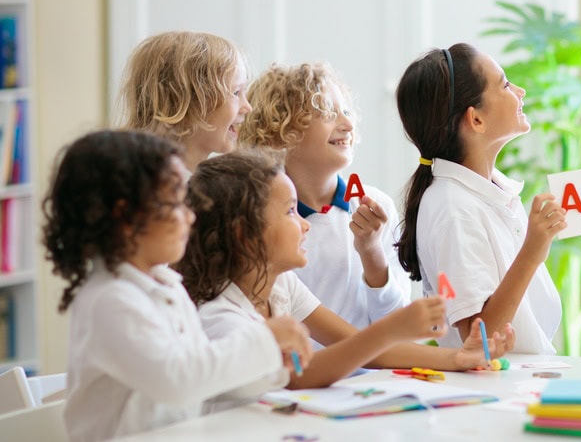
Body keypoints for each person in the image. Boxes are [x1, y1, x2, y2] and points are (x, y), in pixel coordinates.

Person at [41, 130, 312, 442]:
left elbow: (204, 379)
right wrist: (264, 339)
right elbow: (177, 380)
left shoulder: (168, 288)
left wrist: (269, 369)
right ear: (126, 217)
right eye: (175, 204)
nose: (189, 217)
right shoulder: (109, 300)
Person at [176, 149, 515, 397]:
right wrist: (391, 329)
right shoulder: (220, 316)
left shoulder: (281, 286)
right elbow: (298, 376)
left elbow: (359, 346)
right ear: (243, 234)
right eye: (290, 211)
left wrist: (457, 358)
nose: (304, 225)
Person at [395, 43, 567, 354]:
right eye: (504, 84)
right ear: (476, 120)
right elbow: (480, 340)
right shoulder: (452, 207)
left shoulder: (486, 194)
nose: (521, 91)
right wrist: (532, 251)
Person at [239, 62, 410, 330]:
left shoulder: (376, 208)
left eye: (346, 111)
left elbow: (397, 327)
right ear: (282, 131)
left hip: (373, 372)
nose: (348, 123)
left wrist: (372, 252)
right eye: (329, 113)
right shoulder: (257, 218)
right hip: (295, 371)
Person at [116, 30, 253, 173]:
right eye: (236, 92)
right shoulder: (155, 191)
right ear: (186, 104)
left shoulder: (205, 186)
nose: (248, 107)